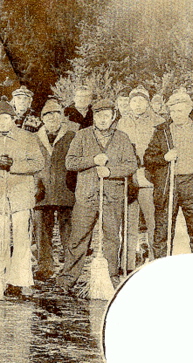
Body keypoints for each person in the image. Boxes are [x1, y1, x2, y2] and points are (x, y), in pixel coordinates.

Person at [58, 99, 137, 292]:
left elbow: (131, 165)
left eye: (107, 116)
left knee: (112, 237)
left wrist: (110, 172)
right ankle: (67, 279)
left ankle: (110, 277)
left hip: (112, 196)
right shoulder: (82, 136)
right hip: (86, 196)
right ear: (94, 117)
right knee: (78, 238)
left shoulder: (122, 138)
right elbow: (70, 162)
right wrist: (93, 160)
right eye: (99, 115)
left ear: (113, 118)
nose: (103, 119)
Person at [0, 100, 44, 299]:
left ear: (13, 119)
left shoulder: (27, 138)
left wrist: (14, 165)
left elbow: (38, 162)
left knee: (22, 238)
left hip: (21, 195)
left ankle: (21, 280)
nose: (3, 122)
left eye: (6, 119)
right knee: (0, 239)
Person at [144, 89, 193, 259]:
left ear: (189, 109)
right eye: (173, 111)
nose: (176, 114)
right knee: (163, 229)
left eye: (180, 110)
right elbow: (148, 158)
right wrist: (164, 157)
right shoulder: (162, 131)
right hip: (169, 184)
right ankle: (161, 267)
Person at [116, 86, 164, 272]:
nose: (137, 104)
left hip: (149, 177)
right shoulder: (122, 123)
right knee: (128, 223)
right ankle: (127, 263)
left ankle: (154, 261)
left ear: (148, 102)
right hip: (128, 177)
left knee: (153, 221)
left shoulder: (159, 122)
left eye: (141, 100)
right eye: (134, 101)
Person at [32, 99, 78, 281]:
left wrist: (74, 182)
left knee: (68, 230)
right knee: (42, 231)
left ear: (62, 117)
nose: (52, 118)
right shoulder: (35, 138)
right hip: (42, 192)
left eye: (56, 114)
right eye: (48, 115)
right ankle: (45, 265)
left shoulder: (72, 136)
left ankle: (69, 267)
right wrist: (36, 185)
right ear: (42, 118)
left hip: (66, 189)